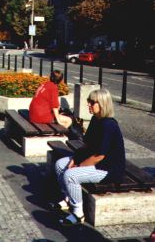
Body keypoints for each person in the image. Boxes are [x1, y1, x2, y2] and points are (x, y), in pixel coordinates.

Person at [54, 88, 126, 226]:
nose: (88, 105)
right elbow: (87, 145)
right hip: (96, 161)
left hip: (108, 168)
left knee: (70, 175)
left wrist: (79, 166)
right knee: (59, 164)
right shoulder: (95, 120)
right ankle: (68, 197)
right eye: (88, 101)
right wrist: (75, 158)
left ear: (102, 104)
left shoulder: (109, 125)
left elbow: (100, 155)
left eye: (92, 102)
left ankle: (78, 213)